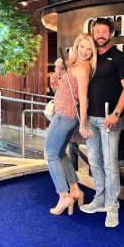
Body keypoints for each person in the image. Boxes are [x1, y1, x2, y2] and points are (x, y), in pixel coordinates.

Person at [80, 17, 124, 228]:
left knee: (111, 165)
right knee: (94, 162)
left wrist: (117, 113)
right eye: (97, 31)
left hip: (109, 120)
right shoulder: (90, 58)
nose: (100, 35)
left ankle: (112, 207)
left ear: (111, 33)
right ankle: (100, 199)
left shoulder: (119, 58)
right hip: (91, 120)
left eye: (104, 31)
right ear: (92, 33)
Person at [45, 33, 97, 216]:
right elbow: (57, 88)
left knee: (50, 155)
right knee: (59, 153)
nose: (85, 51)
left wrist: (82, 125)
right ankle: (75, 190)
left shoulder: (83, 68)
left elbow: (84, 100)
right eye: (82, 47)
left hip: (65, 117)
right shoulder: (73, 63)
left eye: (89, 49)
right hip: (62, 114)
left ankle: (63, 195)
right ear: (76, 46)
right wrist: (58, 69)